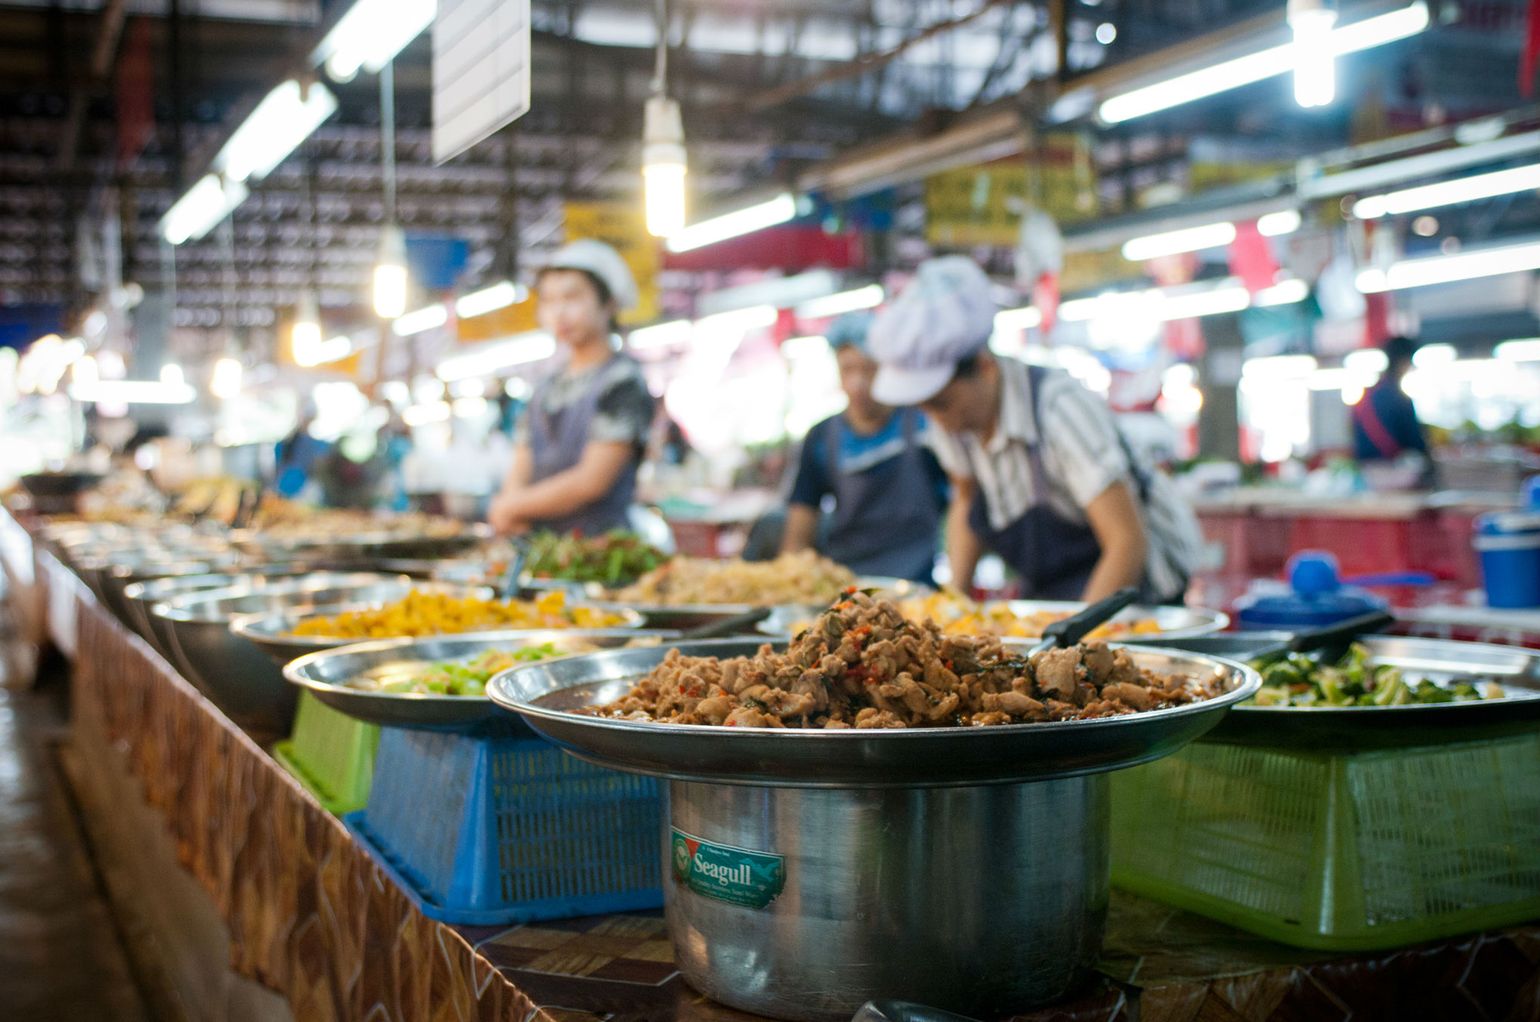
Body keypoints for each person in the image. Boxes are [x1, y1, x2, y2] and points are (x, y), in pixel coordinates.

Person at [867, 256, 1201, 604]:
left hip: (1139, 588)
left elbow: (1125, 542)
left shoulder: (1059, 409)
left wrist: (1072, 648)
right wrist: (952, 605)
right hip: (1057, 591)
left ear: (985, 368)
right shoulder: (955, 422)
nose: (938, 419)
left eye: (942, 403)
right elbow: (965, 501)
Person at [488, 240, 654, 536]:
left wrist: (511, 507)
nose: (560, 312)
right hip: (543, 551)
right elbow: (521, 464)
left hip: (600, 553)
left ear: (610, 303)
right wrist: (509, 503)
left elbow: (591, 482)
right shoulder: (546, 387)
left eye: (573, 297)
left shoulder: (622, 381)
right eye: (549, 300)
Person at [779, 311, 948, 583]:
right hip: (846, 586)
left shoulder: (924, 427)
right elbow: (799, 527)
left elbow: (964, 501)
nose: (858, 383)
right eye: (847, 369)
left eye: (869, 369)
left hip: (916, 585)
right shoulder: (821, 438)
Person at [1352, 335, 1433, 485]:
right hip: (1399, 475)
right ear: (1405, 360)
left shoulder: (1367, 396)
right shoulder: (1399, 397)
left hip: (1367, 476)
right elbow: (1415, 441)